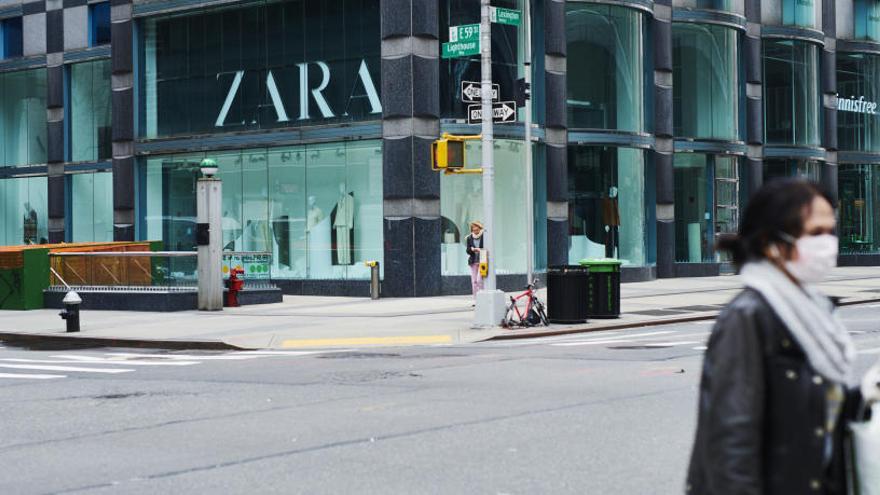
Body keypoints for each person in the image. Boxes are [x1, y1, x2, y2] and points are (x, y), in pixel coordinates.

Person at [687, 178, 880, 494]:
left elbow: (813, 419)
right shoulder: (749, 317)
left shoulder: (809, 310)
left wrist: (863, 395)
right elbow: (731, 443)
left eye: (831, 231)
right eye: (815, 233)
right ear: (771, 243)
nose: (828, 243)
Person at [465, 221, 485, 302]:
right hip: (473, 261)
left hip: (483, 260)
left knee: (480, 280)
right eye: (474, 230)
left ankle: (483, 298)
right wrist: (471, 249)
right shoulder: (469, 238)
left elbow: (487, 248)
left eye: (477, 230)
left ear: (480, 229)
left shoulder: (484, 236)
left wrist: (480, 250)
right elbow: (467, 250)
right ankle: (476, 300)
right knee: (474, 281)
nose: (475, 231)